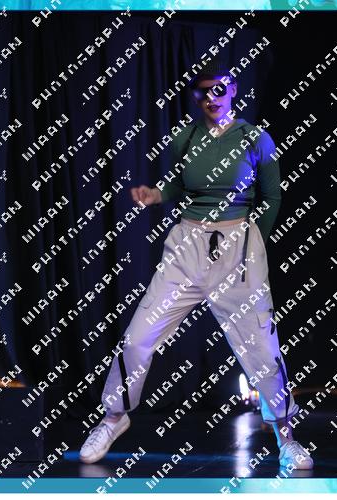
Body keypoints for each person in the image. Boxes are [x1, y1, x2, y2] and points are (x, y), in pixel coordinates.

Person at [78, 57, 315, 470]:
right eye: (203, 91)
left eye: (219, 88)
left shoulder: (255, 138)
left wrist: (255, 241)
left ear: (233, 90)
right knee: (137, 338)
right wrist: (157, 194)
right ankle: (114, 417)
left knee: (262, 349)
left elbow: (273, 195)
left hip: (238, 246)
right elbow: (178, 182)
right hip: (187, 245)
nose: (212, 97)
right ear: (194, 96)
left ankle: (285, 435)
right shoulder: (184, 137)